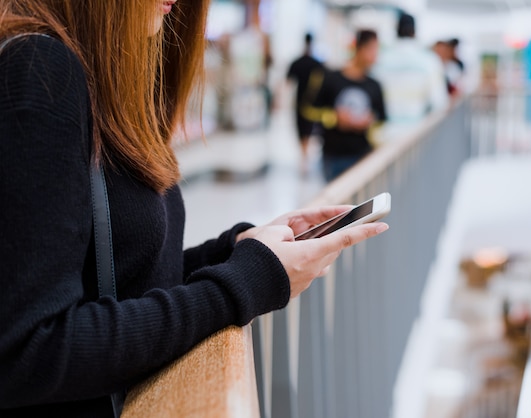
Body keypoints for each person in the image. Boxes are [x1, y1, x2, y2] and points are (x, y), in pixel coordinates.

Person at [0, 1, 389, 416]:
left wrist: (234, 250)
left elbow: (114, 278)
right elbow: (27, 351)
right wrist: (245, 282)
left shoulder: (82, 74)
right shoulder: (38, 71)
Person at [303, 29, 387, 182]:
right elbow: (309, 110)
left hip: (363, 154)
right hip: (333, 155)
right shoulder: (331, 78)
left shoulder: (374, 85)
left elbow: (382, 119)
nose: (376, 55)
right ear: (360, 48)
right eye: (372, 49)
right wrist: (335, 117)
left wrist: (369, 121)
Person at [372, 13, 448, 123]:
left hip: (385, 132)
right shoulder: (429, 60)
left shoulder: (380, 58)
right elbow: (439, 102)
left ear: (396, 30)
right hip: (417, 131)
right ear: (414, 32)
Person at [286, 33, 324, 174]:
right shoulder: (317, 64)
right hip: (313, 104)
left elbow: (288, 82)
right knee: (307, 130)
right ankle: (305, 157)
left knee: (302, 130)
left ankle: (304, 157)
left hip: (300, 102)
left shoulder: (298, 62)